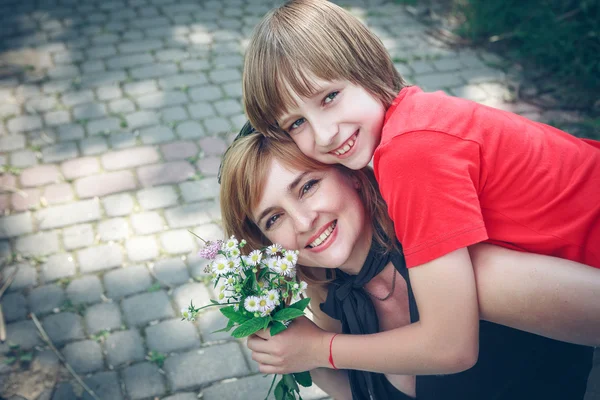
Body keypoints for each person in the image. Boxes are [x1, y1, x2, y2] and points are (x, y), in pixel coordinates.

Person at [240, 0, 600, 376]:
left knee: (473, 273)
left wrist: (319, 349)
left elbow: (451, 348)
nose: (325, 134)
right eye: (296, 123)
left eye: (330, 97)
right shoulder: (416, 116)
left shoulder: (410, 154)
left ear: (366, 66)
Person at [218, 128, 593, 400]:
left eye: (307, 186)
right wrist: (301, 353)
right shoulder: (331, 295)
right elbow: (361, 392)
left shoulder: (460, 266)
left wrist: (321, 348)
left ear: (353, 177)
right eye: (273, 219)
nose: (302, 223)